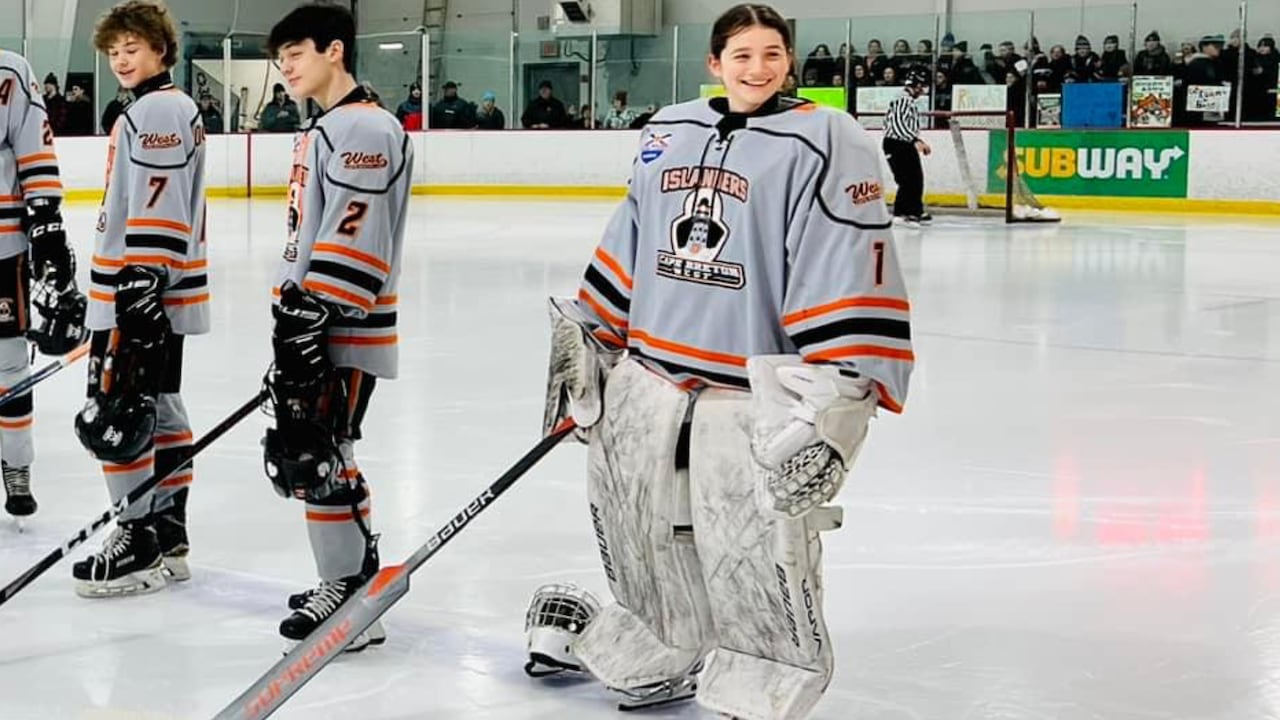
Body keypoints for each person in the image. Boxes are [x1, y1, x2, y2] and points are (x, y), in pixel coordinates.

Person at [537, 3, 912, 718]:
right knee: (642, 529)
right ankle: (660, 641)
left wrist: (838, 394)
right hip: (651, 377)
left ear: (790, 61)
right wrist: (591, 338)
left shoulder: (827, 140)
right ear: (715, 63)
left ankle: (764, 671)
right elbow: (633, 232)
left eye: (773, 54)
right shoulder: (668, 131)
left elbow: (849, 258)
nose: (758, 68)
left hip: (746, 389)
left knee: (750, 546)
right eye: (742, 55)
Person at [265, 1, 411, 652]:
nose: (286, 68)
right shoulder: (330, 126)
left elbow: (356, 232)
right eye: (280, 59)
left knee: (323, 453)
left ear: (335, 51)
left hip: (339, 323)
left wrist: (312, 315)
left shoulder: (364, 128)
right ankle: (348, 581)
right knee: (317, 446)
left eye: (296, 54)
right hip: (315, 320)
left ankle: (349, 596)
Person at [73, 0, 209, 598]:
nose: (121, 60)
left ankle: (136, 539)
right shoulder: (160, 107)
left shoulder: (157, 110)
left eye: (132, 48)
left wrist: (141, 282)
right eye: (113, 51)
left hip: (137, 287)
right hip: (154, 286)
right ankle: (167, 532)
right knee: (162, 406)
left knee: (118, 410)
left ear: (160, 49)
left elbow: (159, 200)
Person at [0, 49, 82, 522]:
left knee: (9, 361)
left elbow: (34, 145)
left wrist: (46, 223)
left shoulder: (9, 71)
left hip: (3, 245)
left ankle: (16, 464)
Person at [883, 65, 932, 224]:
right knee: (907, 179)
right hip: (897, 143)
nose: (923, 91)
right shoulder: (902, 99)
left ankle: (914, 210)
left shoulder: (907, 100)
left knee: (915, 178)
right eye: (922, 87)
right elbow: (897, 124)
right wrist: (914, 140)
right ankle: (901, 212)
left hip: (903, 142)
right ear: (917, 85)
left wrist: (916, 140)